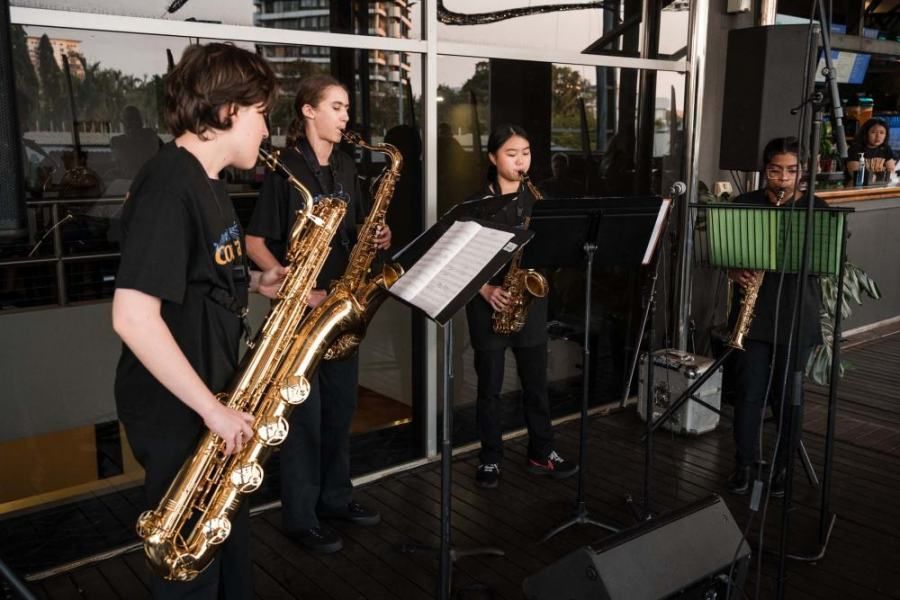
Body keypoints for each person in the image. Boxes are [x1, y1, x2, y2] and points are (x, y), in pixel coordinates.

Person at [112, 43, 284, 599]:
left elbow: (197, 276)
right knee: (190, 566)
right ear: (228, 110)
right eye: (263, 113)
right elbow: (133, 317)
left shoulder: (208, 180)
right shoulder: (169, 184)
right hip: (181, 410)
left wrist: (257, 282)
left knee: (225, 547)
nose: (266, 129)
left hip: (211, 397)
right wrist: (212, 410)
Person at [245, 74, 390, 554]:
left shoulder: (347, 165)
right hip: (302, 312)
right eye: (336, 107)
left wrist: (379, 236)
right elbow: (255, 243)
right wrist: (295, 288)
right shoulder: (287, 169)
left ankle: (335, 498)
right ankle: (300, 516)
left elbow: (360, 229)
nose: (346, 116)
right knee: (304, 420)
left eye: (346, 108)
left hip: (340, 307)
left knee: (340, 411)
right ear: (308, 111)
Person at [463, 123, 579, 489]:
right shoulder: (476, 204)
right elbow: (462, 258)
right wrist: (486, 291)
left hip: (528, 303)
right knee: (490, 390)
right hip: (489, 303)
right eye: (511, 154)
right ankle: (491, 458)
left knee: (536, 385)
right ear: (492, 158)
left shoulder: (537, 198)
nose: (520, 160)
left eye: (525, 153)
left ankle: (542, 450)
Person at [726, 136, 826, 498]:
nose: (782, 178)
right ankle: (744, 463)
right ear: (764, 170)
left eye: (790, 171)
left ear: (803, 172)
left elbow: (825, 263)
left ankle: (783, 468)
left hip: (796, 315)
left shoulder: (819, 209)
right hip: (753, 319)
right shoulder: (744, 204)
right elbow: (727, 253)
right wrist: (734, 271)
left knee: (788, 399)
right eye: (774, 170)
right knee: (749, 394)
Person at [846, 117, 897, 185]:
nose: (878, 136)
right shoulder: (855, 149)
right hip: (857, 187)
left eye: (882, 133)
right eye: (873, 132)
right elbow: (856, 174)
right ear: (866, 133)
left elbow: (891, 171)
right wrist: (876, 176)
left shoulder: (886, 149)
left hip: (879, 187)